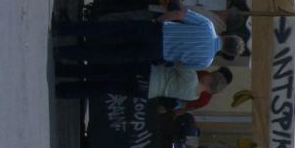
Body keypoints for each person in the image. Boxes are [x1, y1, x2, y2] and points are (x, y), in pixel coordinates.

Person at [53, 7, 245, 70]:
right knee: (110, 54)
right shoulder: (205, 61)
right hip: (157, 53)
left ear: (228, 36)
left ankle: (64, 29)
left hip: (157, 31)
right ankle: (65, 53)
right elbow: (181, 64)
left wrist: (158, 20)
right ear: (225, 53)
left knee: (108, 30)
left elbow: (180, 14)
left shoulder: (208, 26)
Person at [53, 62, 230, 104]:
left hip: (149, 76)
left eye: (210, 74)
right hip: (148, 92)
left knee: (104, 72)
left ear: (210, 79)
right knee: (105, 88)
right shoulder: (194, 96)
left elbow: (178, 62)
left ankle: (64, 71)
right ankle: (65, 91)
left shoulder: (192, 78)